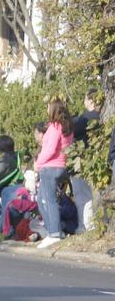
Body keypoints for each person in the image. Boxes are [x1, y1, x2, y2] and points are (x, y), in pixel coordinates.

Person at [34, 97, 74, 249]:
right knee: (44, 200)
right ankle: (52, 231)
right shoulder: (67, 127)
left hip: (50, 167)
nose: (47, 109)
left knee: (47, 201)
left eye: (48, 107)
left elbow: (49, 149)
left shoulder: (54, 127)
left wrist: (38, 163)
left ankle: (54, 233)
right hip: (61, 166)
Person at [70, 89, 103, 232]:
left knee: (82, 197)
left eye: (85, 98)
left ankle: (83, 227)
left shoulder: (82, 120)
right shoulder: (102, 118)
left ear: (90, 100)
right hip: (97, 161)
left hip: (81, 161)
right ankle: (95, 225)